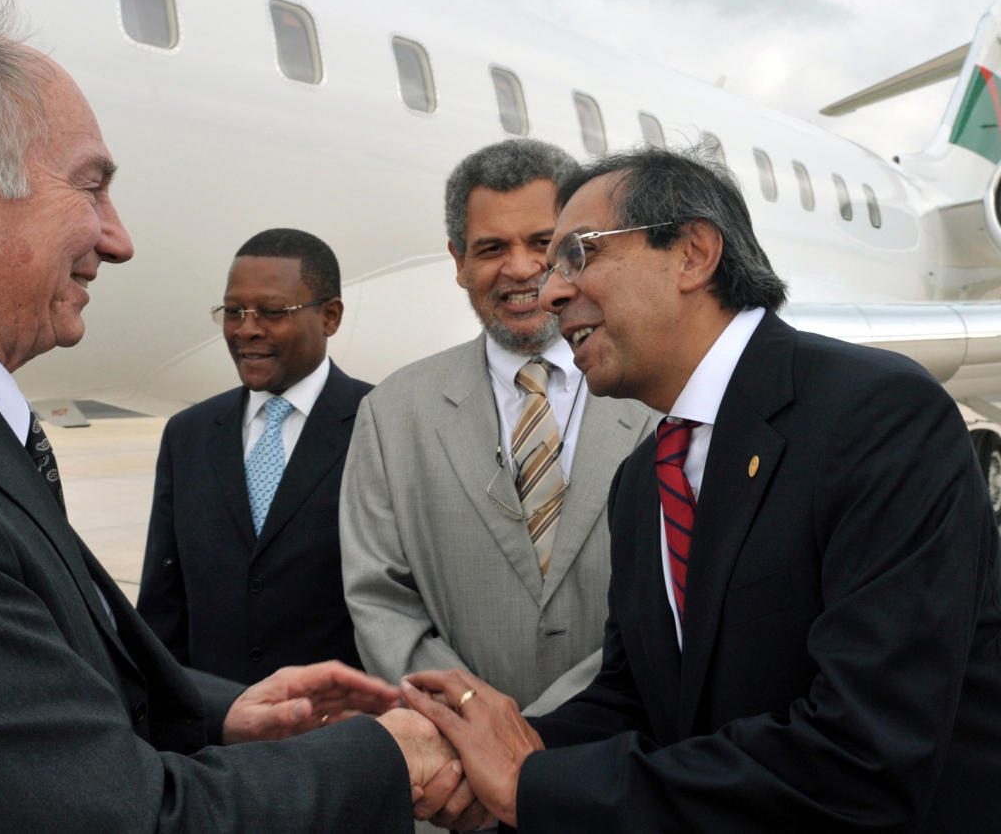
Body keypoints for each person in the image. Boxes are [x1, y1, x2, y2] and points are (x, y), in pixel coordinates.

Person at [0, 0, 465, 833]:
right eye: (90, 186)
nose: (118, 238)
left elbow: (4, 698)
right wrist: (387, 758)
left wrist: (218, 714)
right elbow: (106, 818)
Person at [402, 146, 1001, 832]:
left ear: (693, 252)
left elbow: (864, 757)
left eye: (579, 255)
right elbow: (640, 707)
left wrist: (534, 786)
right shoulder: (642, 483)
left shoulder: (878, 417)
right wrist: (477, 756)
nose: (550, 291)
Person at [341, 139, 651, 725]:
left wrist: (542, 734)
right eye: (490, 248)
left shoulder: (656, 399)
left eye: (543, 244)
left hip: (626, 762)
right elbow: (380, 602)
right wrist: (473, 727)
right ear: (458, 262)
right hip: (462, 782)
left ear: (578, 250)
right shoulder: (391, 415)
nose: (520, 268)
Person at [138, 228, 371, 684]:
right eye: (233, 311)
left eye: (271, 312)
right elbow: (163, 604)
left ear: (330, 316)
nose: (246, 328)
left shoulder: (383, 425)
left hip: (341, 730)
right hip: (217, 734)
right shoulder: (187, 434)